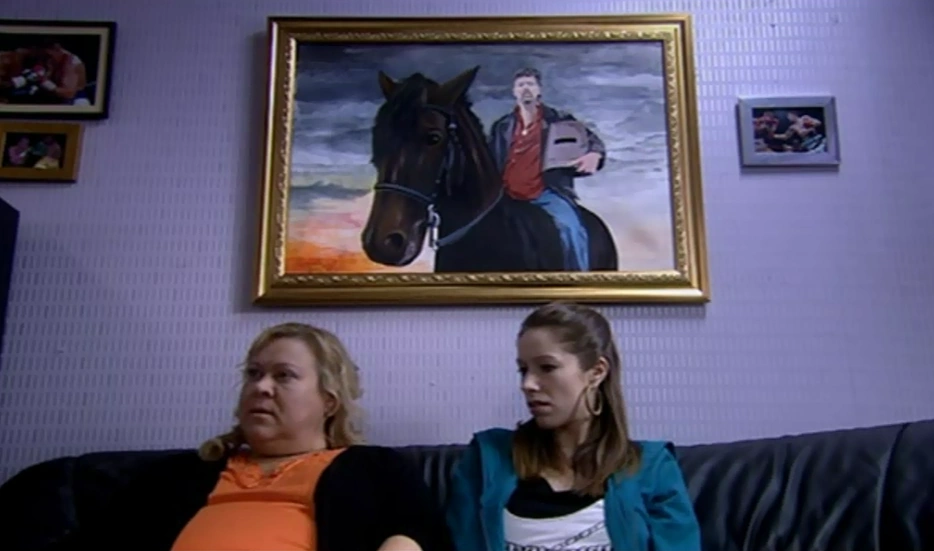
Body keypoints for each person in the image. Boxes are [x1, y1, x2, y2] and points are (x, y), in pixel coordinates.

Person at [60, 322, 453, 551]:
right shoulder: (181, 473)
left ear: (329, 401)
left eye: (284, 375)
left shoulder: (373, 467)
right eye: (253, 374)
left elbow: (419, 532)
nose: (261, 387)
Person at [445, 302, 701, 551]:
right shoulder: (488, 457)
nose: (528, 384)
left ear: (597, 372)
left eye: (547, 367)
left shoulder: (652, 466)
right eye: (523, 370)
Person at [487, 67, 606, 271]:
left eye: (530, 84)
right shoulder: (502, 126)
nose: (526, 89)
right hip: (504, 196)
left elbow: (593, 142)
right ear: (514, 91)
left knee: (572, 229)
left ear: (539, 90)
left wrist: (594, 154)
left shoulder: (559, 120)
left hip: (547, 193)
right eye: (521, 85)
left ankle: (578, 279)